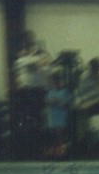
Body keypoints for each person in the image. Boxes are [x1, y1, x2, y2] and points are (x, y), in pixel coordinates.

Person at [12, 30, 51, 160]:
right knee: (26, 120)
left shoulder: (41, 53)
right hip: (24, 92)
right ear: (23, 41)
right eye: (26, 39)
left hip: (38, 91)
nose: (28, 41)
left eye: (30, 38)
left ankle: (39, 149)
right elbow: (17, 72)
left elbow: (46, 64)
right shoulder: (20, 55)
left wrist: (35, 63)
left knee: (38, 119)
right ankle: (27, 150)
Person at [42, 69, 72, 158]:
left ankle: (62, 152)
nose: (56, 81)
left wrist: (58, 102)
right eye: (54, 80)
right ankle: (54, 151)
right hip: (52, 116)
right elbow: (46, 101)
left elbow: (67, 104)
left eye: (58, 79)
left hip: (61, 116)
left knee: (60, 135)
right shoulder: (51, 91)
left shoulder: (65, 91)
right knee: (53, 135)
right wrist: (50, 101)